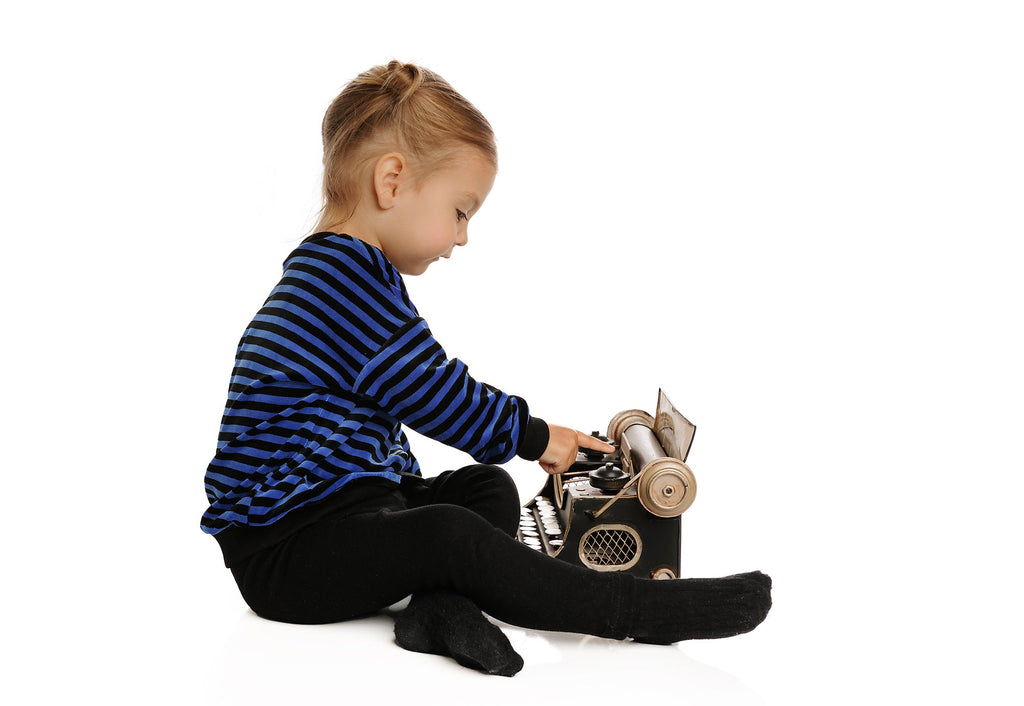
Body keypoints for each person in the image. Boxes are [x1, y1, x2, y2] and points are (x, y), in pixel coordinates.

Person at [201, 60, 771, 676]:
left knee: (483, 487)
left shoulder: (352, 274)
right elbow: (435, 391)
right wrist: (535, 437)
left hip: (358, 506)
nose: (463, 237)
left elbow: (414, 392)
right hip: (289, 550)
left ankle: (440, 608)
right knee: (448, 532)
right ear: (392, 181)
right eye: (460, 211)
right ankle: (631, 607)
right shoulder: (338, 285)